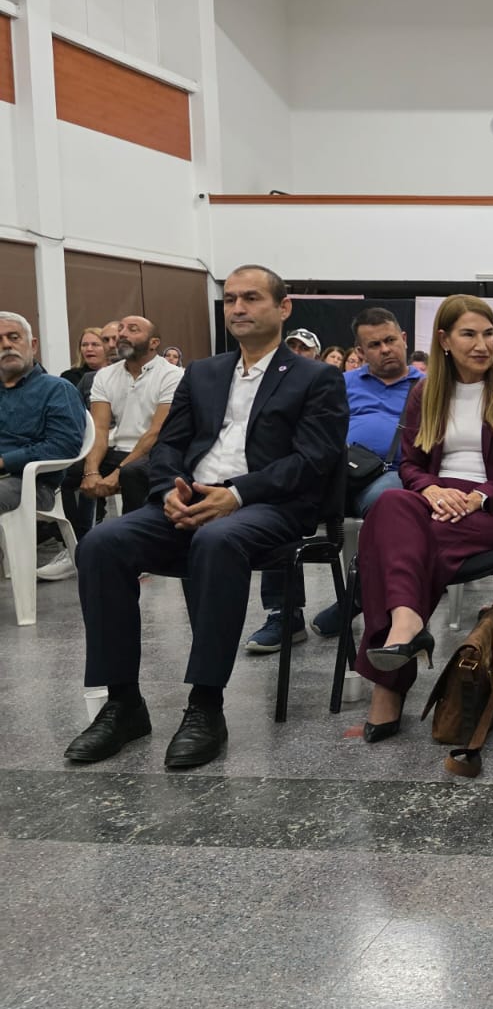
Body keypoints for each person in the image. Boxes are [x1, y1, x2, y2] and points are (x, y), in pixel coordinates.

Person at [63, 266, 347, 770]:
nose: (237, 307)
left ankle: (206, 706)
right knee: (101, 544)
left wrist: (235, 494)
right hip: (190, 497)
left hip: (269, 506)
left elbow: (312, 460)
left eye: (251, 298)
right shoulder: (203, 373)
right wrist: (167, 491)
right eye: (231, 298)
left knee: (217, 540)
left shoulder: (316, 377)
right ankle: (123, 704)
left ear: (283, 308)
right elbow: (169, 445)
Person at [351, 295, 493, 742]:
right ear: (444, 340)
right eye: (469, 334)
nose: (482, 345)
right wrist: (431, 490)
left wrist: (479, 497)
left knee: (399, 550)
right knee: (390, 504)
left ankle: (389, 684)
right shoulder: (426, 393)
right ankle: (406, 623)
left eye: (489, 334)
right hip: (437, 502)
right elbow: (410, 464)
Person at [245, 307, 424, 651]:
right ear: (360, 351)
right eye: (374, 345)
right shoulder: (339, 382)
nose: (385, 349)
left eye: (390, 340)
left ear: (404, 339)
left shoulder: (428, 387)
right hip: (333, 471)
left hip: (391, 475)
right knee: (276, 502)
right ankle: (284, 613)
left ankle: (358, 596)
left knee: (390, 503)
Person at [56, 315, 182, 556]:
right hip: (118, 449)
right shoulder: (104, 376)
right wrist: (91, 471)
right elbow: (99, 428)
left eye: (133, 329)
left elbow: (156, 431)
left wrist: (116, 474)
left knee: (131, 473)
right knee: (65, 472)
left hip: (157, 451)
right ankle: (79, 546)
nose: (122, 334)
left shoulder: (172, 375)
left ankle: (134, 549)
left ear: (154, 343)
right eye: (121, 328)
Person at [1, 313, 85, 534]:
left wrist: (4, 461)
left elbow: (64, 446)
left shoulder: (57, 389)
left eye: (14, 337)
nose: (6, 345)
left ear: (33, 345)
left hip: (32, 484)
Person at [60, 327, 111, 398]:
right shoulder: (70, 377)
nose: (89, 349)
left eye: (95, 344)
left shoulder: (117, 373)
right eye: (84, 345)